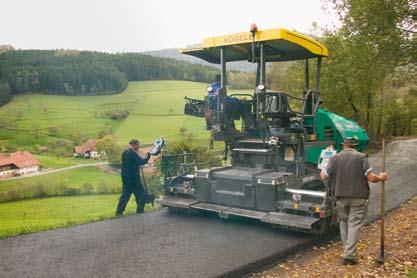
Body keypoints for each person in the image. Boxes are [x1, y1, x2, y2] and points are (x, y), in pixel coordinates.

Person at [320, 137, 388, 265]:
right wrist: (381, 177)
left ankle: (348, 252)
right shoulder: (361, 157)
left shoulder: (333, 159)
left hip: (339, 198)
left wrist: (324, 167)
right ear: (354, 145)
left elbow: (323, 176)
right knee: (354, 224)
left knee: (344, 224)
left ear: (343, 145)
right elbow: (371, 178)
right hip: (358, 197)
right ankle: (349, 255)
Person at [115, 139, 151, 216]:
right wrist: (148, 157)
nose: (139, 146)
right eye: (138, 144)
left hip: (126, 179)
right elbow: (141, 162)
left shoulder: (125, 152)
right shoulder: (133, 153)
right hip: (134, 180)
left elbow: (134, 161)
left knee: (124, 196)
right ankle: (139, 212)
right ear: (134, 145)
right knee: (141, 195)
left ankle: (118, 212)